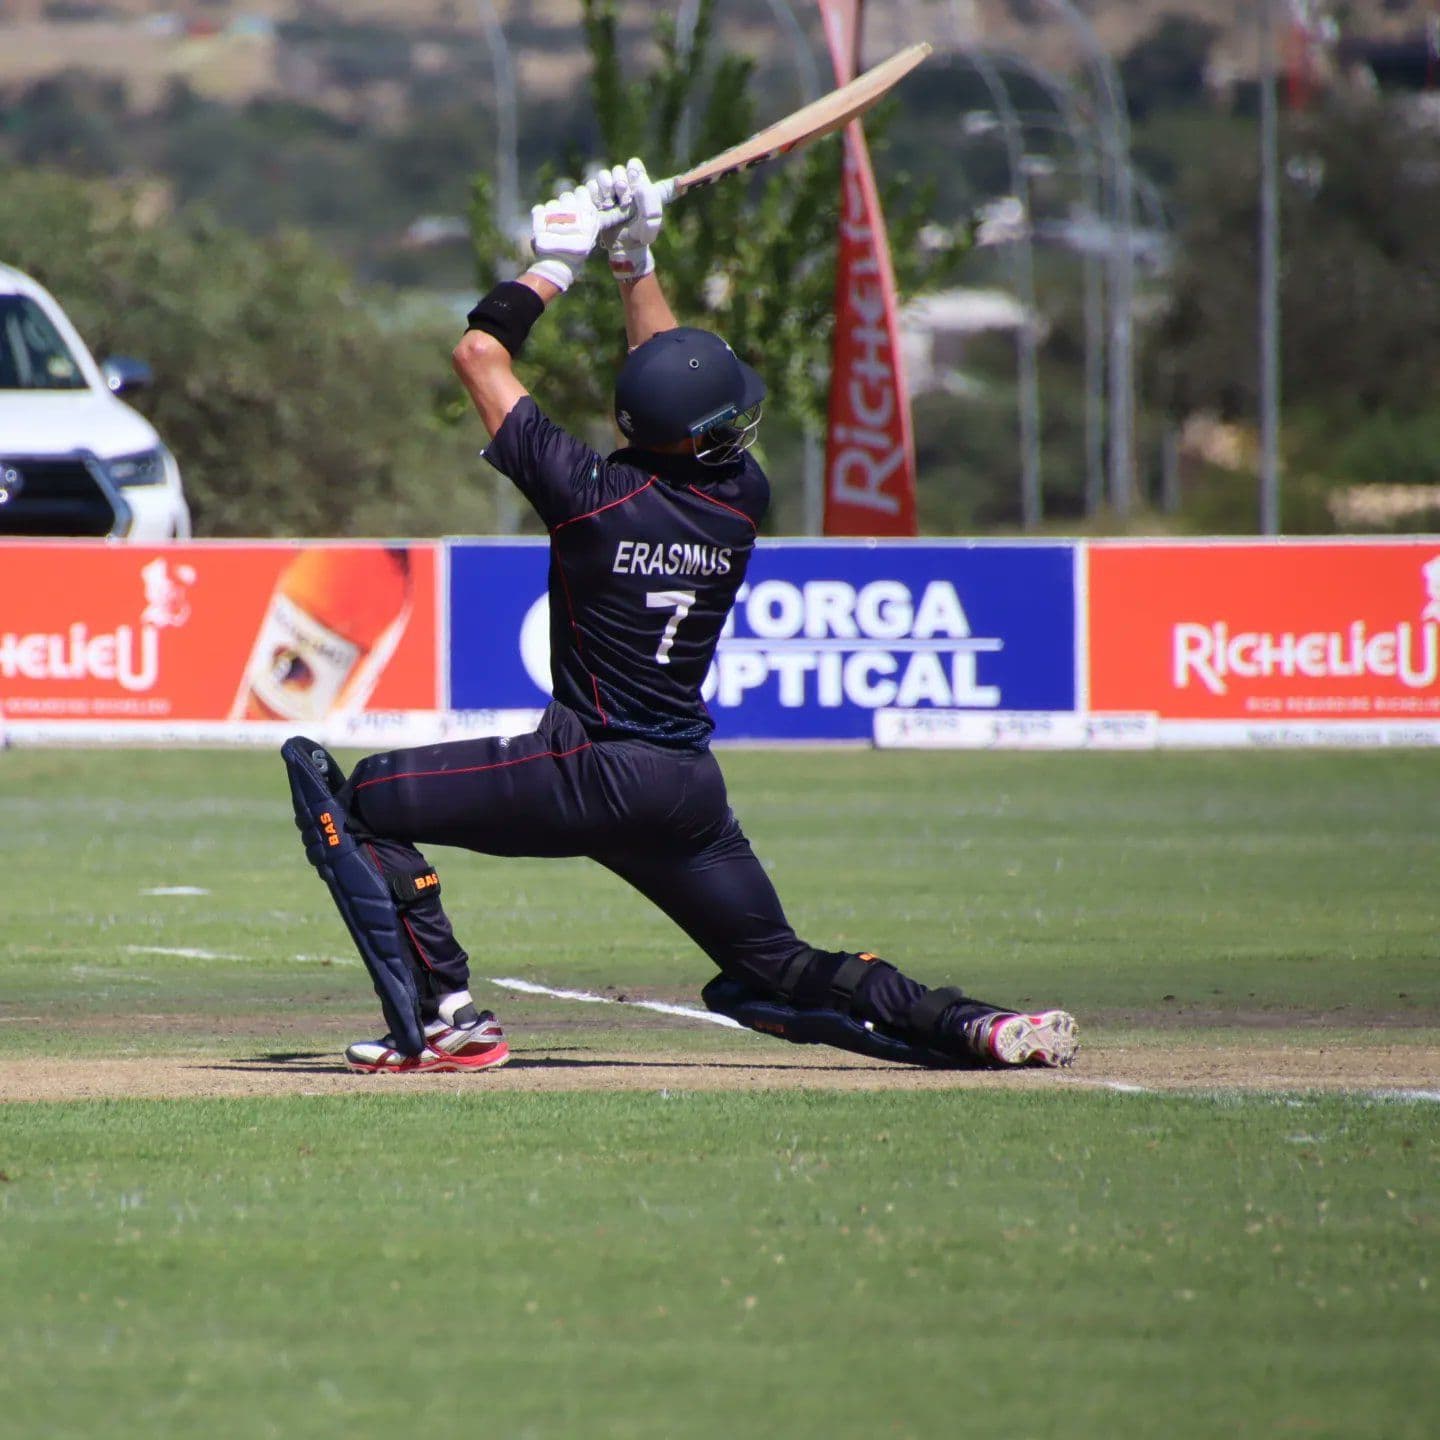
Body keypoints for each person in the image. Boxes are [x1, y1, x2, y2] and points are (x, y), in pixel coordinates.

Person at [282, 159, 1078, 1075]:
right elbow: (669, 386)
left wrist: (554, 265)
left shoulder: (586, 493)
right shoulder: (741, 497)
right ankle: (971, 1022)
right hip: (680, 786)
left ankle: (448, 1017)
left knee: (361, 796)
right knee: (770, 964)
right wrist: (635, 261)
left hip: (586, 768)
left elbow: (482, 356)